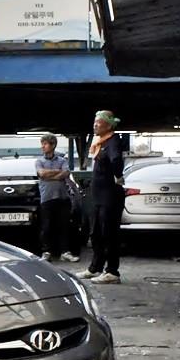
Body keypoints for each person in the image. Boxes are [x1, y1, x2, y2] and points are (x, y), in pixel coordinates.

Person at [77, 110, 125, 284]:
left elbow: (116, 160)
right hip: (98, 196)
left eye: (99, 122)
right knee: (96, 233)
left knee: (109, 234)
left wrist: (117, 176)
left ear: (109, 125)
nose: (95, 125)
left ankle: (112, 272)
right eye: (94, 122)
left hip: (110, 196)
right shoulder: (100, 142)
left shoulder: (113, 141)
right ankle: (95, 268)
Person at [35, 133, 79, 263]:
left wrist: (49, 175)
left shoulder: (62, 160)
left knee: (64, 226)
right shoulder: (39, 161)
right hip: (46, 198)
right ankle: (46, 252)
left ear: (53, 145)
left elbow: (65, 173)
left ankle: (65, 252)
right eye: (42, 144)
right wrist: (57, 172)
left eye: (45, 144)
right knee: (46, 226)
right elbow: (41, 173)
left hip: (62, 198)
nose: (43, 146)